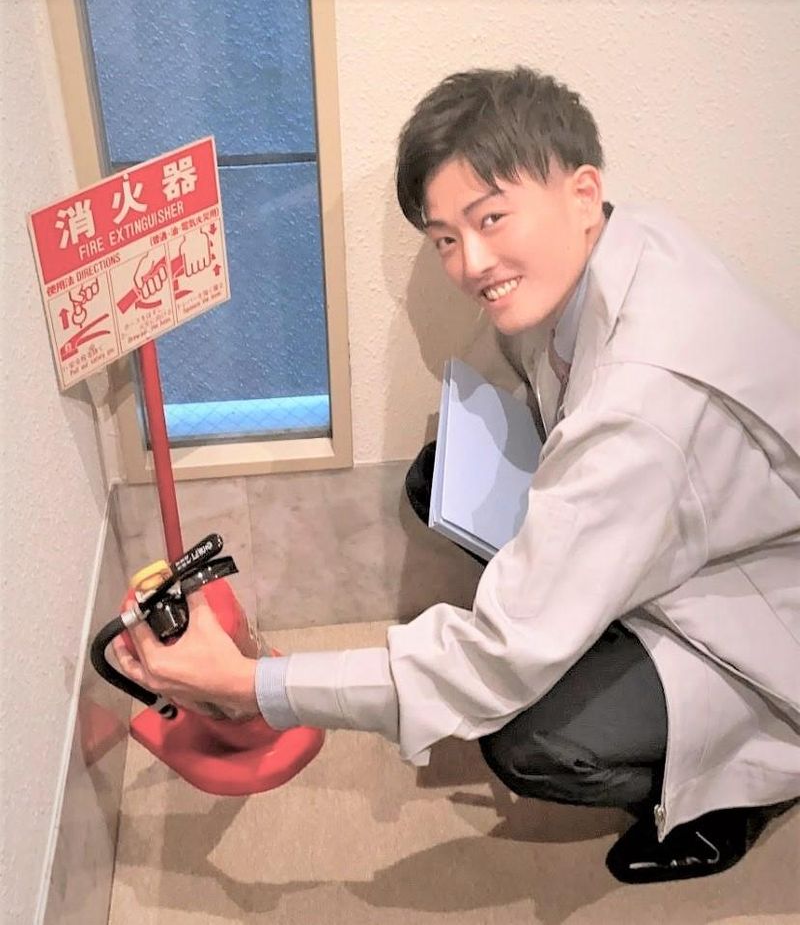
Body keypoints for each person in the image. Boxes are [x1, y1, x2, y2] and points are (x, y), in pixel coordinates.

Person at [114, 67, 800, 884]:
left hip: (752, 620)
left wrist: (256, 686)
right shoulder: (622, 241)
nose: (471, 263)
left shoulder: (640, 410)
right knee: (438, 479)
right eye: (445, 237)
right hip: (689, 531)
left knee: (526, 734)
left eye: (491, 217)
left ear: (582, 193)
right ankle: (589, 624)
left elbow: (495, 662)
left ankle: (743, 788)